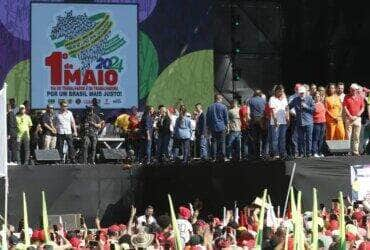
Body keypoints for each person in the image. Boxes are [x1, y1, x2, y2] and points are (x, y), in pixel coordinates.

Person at [289, 86, 315, 157]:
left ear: (306, 93)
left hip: (308, 122)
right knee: (301, 139)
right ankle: (301, 153)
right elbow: (288, 106)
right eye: (300, 93)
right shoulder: (295, 99)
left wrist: (306, 106)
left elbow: (314, 109)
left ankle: (308, 153)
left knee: (309, 138)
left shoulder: (310, 98)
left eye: (303, 93)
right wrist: (290, 111)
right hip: (299, 122)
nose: (301, 95)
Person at [343, 84, 365, 156]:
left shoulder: (360, 97)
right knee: (348, 136)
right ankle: (348, 151)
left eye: (353, 90)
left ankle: (355, 151)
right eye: (351, 89)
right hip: (349, 118)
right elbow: (345, 107)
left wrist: (357, 115)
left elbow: (362, 108)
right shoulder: (346, 96)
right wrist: (350, 116)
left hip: (357, 119)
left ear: (356, 90)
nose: (351, 91)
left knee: (356, 136)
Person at [268, 85, 289, 159]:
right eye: (280, 91)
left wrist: (288, 118)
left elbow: (286, 108)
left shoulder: (284, 99)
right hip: (275, 122)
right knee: (275, 139)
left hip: (283, 122)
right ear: (277, 91)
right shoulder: (272, 99)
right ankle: (275, 154)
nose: (282, 93)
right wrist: (275, 120)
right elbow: (272, 111)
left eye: (283, 91)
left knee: (282, 138)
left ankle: (282, 154)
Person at [206, 94, 228, 162]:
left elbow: (208, 118)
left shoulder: (210, 107)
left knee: (213, 142)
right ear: (220, 99)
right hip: (222, 127)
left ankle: (214, 157)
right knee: (222, 142)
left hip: (213, 127)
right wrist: (227, 126)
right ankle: (222, 157)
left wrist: (208, 127)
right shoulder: (223, 107)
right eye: (221, 98)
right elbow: (225, 118)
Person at [248, 89, 267, 158]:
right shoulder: (263, 101)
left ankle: (256, 154)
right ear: (260, 94)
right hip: (262, 120)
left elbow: (249, 112)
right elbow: (265, 111)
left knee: (256, 138)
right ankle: (264, 154)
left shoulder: (250, 100)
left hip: (254, 120)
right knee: (264, 138)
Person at [312, 91, 326, 157]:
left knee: (321, 138)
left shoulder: (322, 104)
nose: (317, 98)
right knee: (315, 138)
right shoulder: (312, 104)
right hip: (316, 123)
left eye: (318, 96)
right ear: (313, 97)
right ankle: (315, 152)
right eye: (316, 96)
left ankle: (320, 152)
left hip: (323, 123)